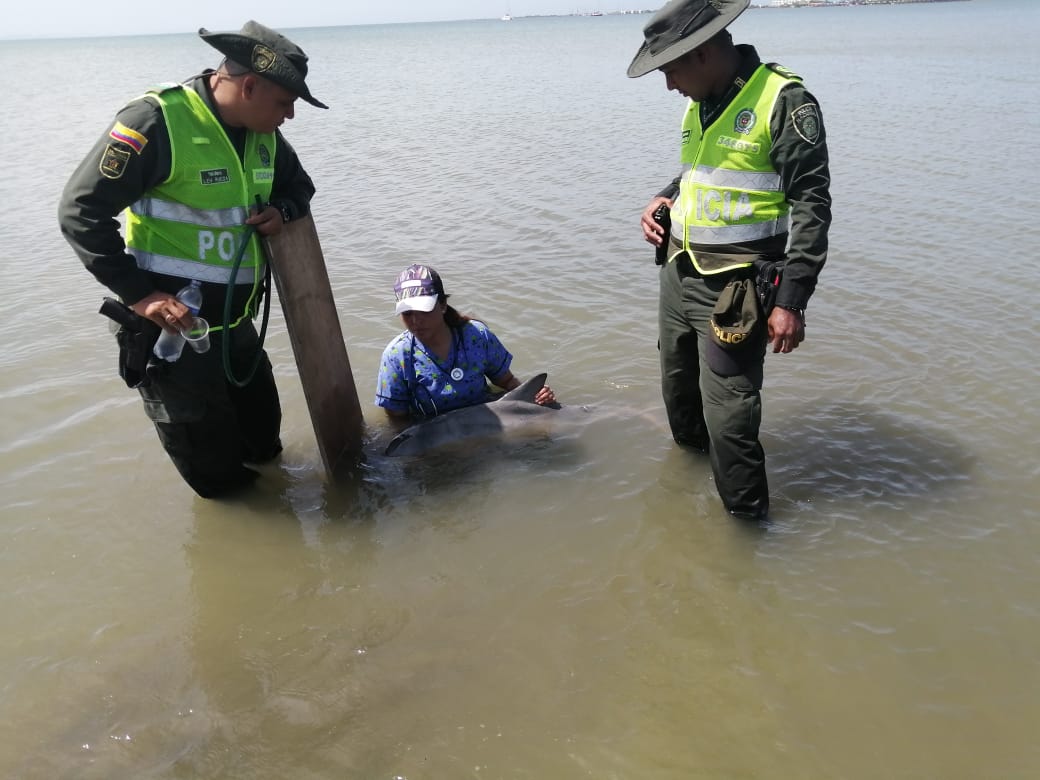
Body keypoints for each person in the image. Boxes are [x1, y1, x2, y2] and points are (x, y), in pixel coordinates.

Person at [58, 21, 327, 498]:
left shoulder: (262, 134)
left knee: (265, 447)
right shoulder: (156, 122)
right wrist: (140, 295)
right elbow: (81, 213)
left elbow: (298, 187)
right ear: (249, 85)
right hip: (173, 341)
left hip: (235, 333)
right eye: (286, 103)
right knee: (221, 482)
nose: (290, 116)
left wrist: (280, 211)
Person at [628, 0, 831, 520]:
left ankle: (747, 542)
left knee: (731, 421)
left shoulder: (784, 101)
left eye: (670, 69)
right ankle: (684, 502)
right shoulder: (699, 102)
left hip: (736, 291)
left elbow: (811, 204)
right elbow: (703, 171)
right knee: (680, 401)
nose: (669, 84)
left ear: (701, 53)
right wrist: (663, 197)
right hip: (678, 274)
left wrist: (792, 301)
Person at [375, 264, 556, 423]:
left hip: (487, 423)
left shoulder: (475, 335)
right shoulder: (395, 356)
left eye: (424, 310)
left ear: (443, 305)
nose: (416, 321)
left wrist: (535, 395)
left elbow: (507, 381)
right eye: (407, 313)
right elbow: (398, 420)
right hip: (436, 434)